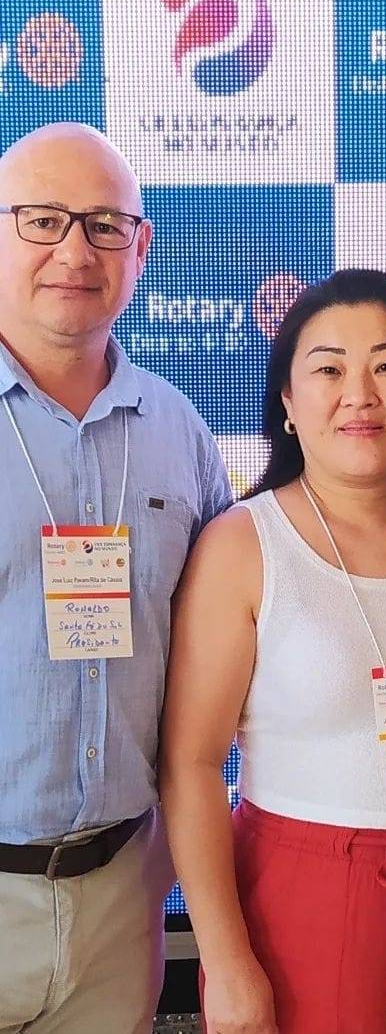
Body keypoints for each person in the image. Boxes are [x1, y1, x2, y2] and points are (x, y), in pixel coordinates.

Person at [159, 269, 386, 1034]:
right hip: (302, 893)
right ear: (287, 400)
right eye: (329, 369)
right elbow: (190, 764)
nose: (359, 394)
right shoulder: (244, 545)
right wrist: (226, 960)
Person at [0, 123, 232, 1033]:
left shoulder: (181, 433)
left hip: (121, 899)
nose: (74, 251)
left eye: (104, 224)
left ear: (142, 247)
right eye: (42, 219)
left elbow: (221, 661)